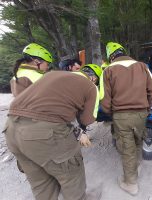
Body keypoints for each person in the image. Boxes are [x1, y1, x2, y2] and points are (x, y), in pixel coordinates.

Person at [4, 64, 102, 200]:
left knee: (40, 183)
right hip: (43, 132)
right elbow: (87, 119)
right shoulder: (91, 87)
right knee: (71, 174)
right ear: (93, 78)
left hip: (11, 128)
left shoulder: (51, 74)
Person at [100, 42, 152, 196]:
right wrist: (146, 106)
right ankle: (137, 167)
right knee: (138, 140)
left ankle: (130, 183)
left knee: (127, 148)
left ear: (111, 56)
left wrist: (111, 113)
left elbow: (104, 100)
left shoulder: (108, 70)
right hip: (141, 113)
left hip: (121, 116)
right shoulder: (142, 66)